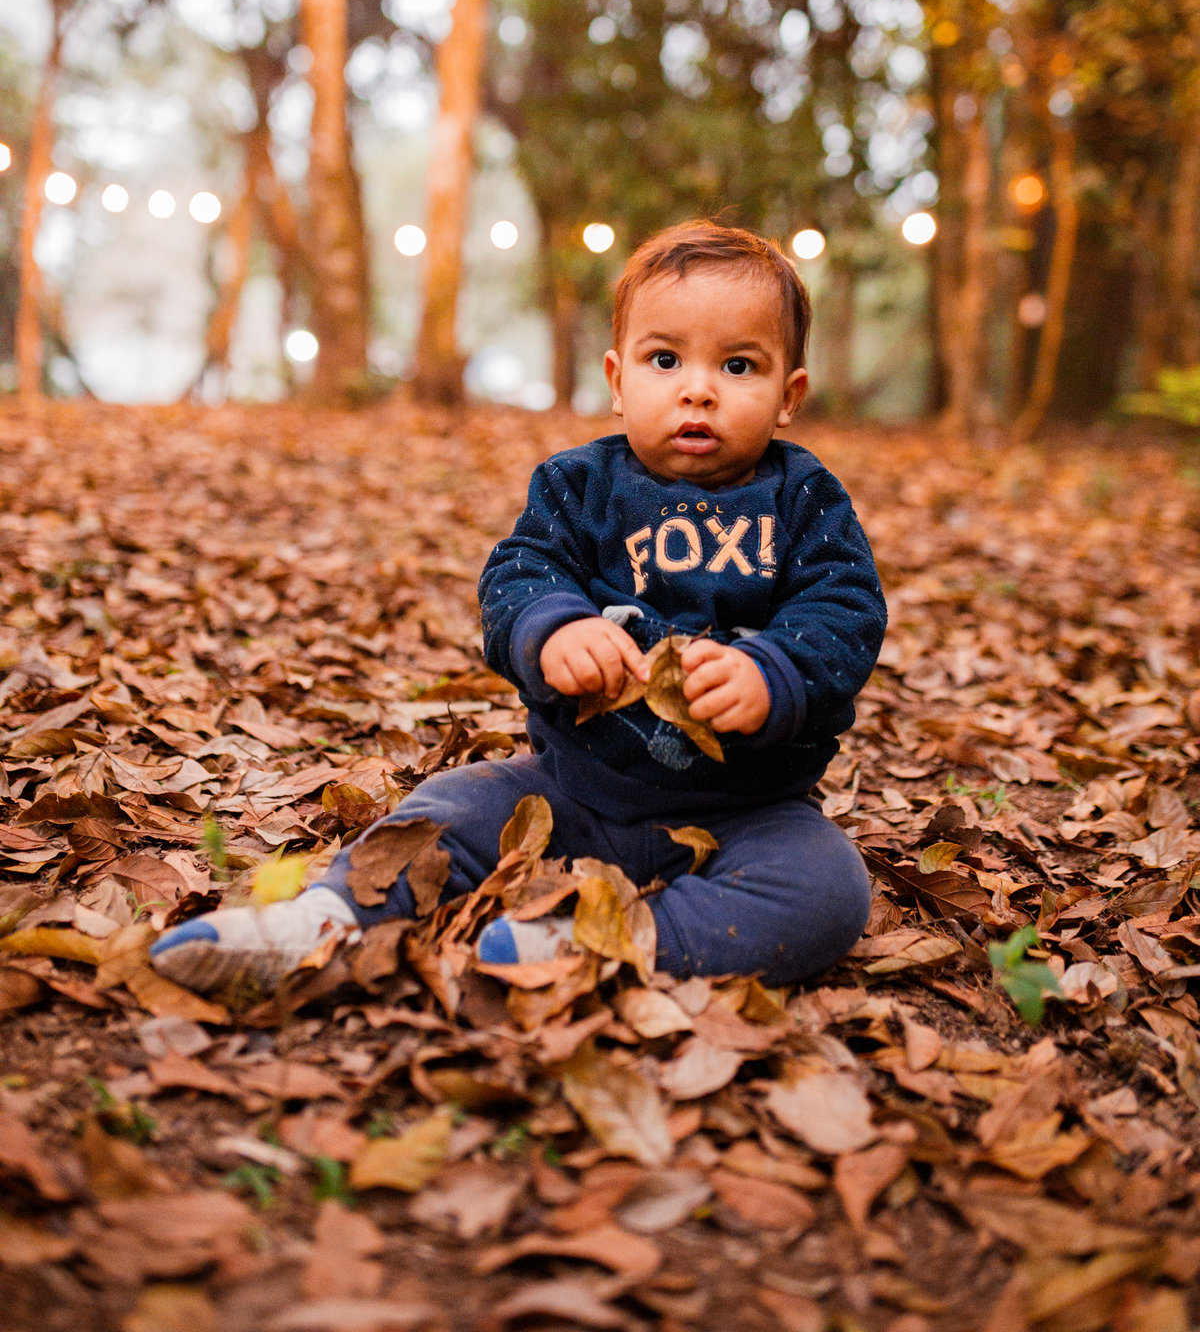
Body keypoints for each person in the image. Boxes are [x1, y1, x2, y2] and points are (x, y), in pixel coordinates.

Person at [152, 221, 886, 998]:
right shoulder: (580, 486)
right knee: (448, 808)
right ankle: (325, 918)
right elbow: (520, 573)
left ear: (788, 396)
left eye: (738, 366)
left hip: (749, 812)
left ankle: (599, 943)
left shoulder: (803, 499)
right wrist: (555, 630)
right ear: (617, 379)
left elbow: (844, 608)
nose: (697, 389)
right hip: (572, 792)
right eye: (665, 360)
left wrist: (772, 672)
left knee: (830, 888)